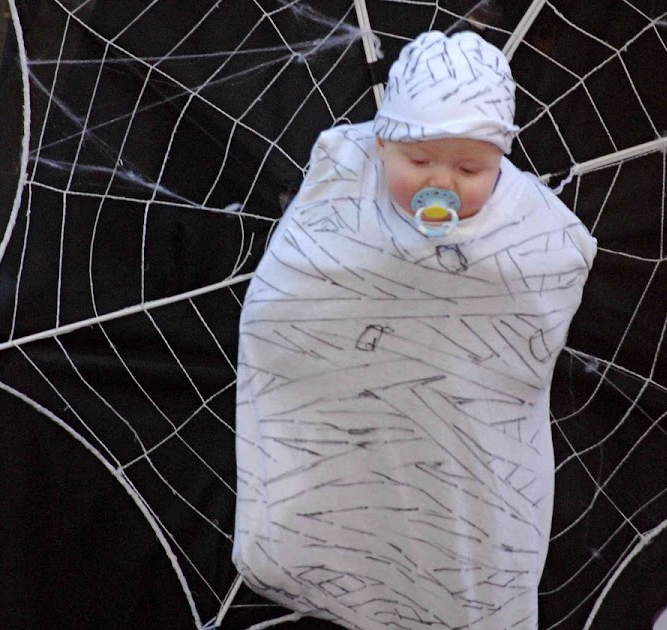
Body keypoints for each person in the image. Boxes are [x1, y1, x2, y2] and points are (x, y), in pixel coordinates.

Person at [233, 30, 596, 629]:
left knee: (459, 556)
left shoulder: (532, 229)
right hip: (345, 418)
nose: (443, 182)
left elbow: (535, 306)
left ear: (502, 161)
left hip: (456, 443)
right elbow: (285, 307)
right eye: (419, 160)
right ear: (381, 146)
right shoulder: (343, 182)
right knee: (344, 507)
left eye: (470, 167)